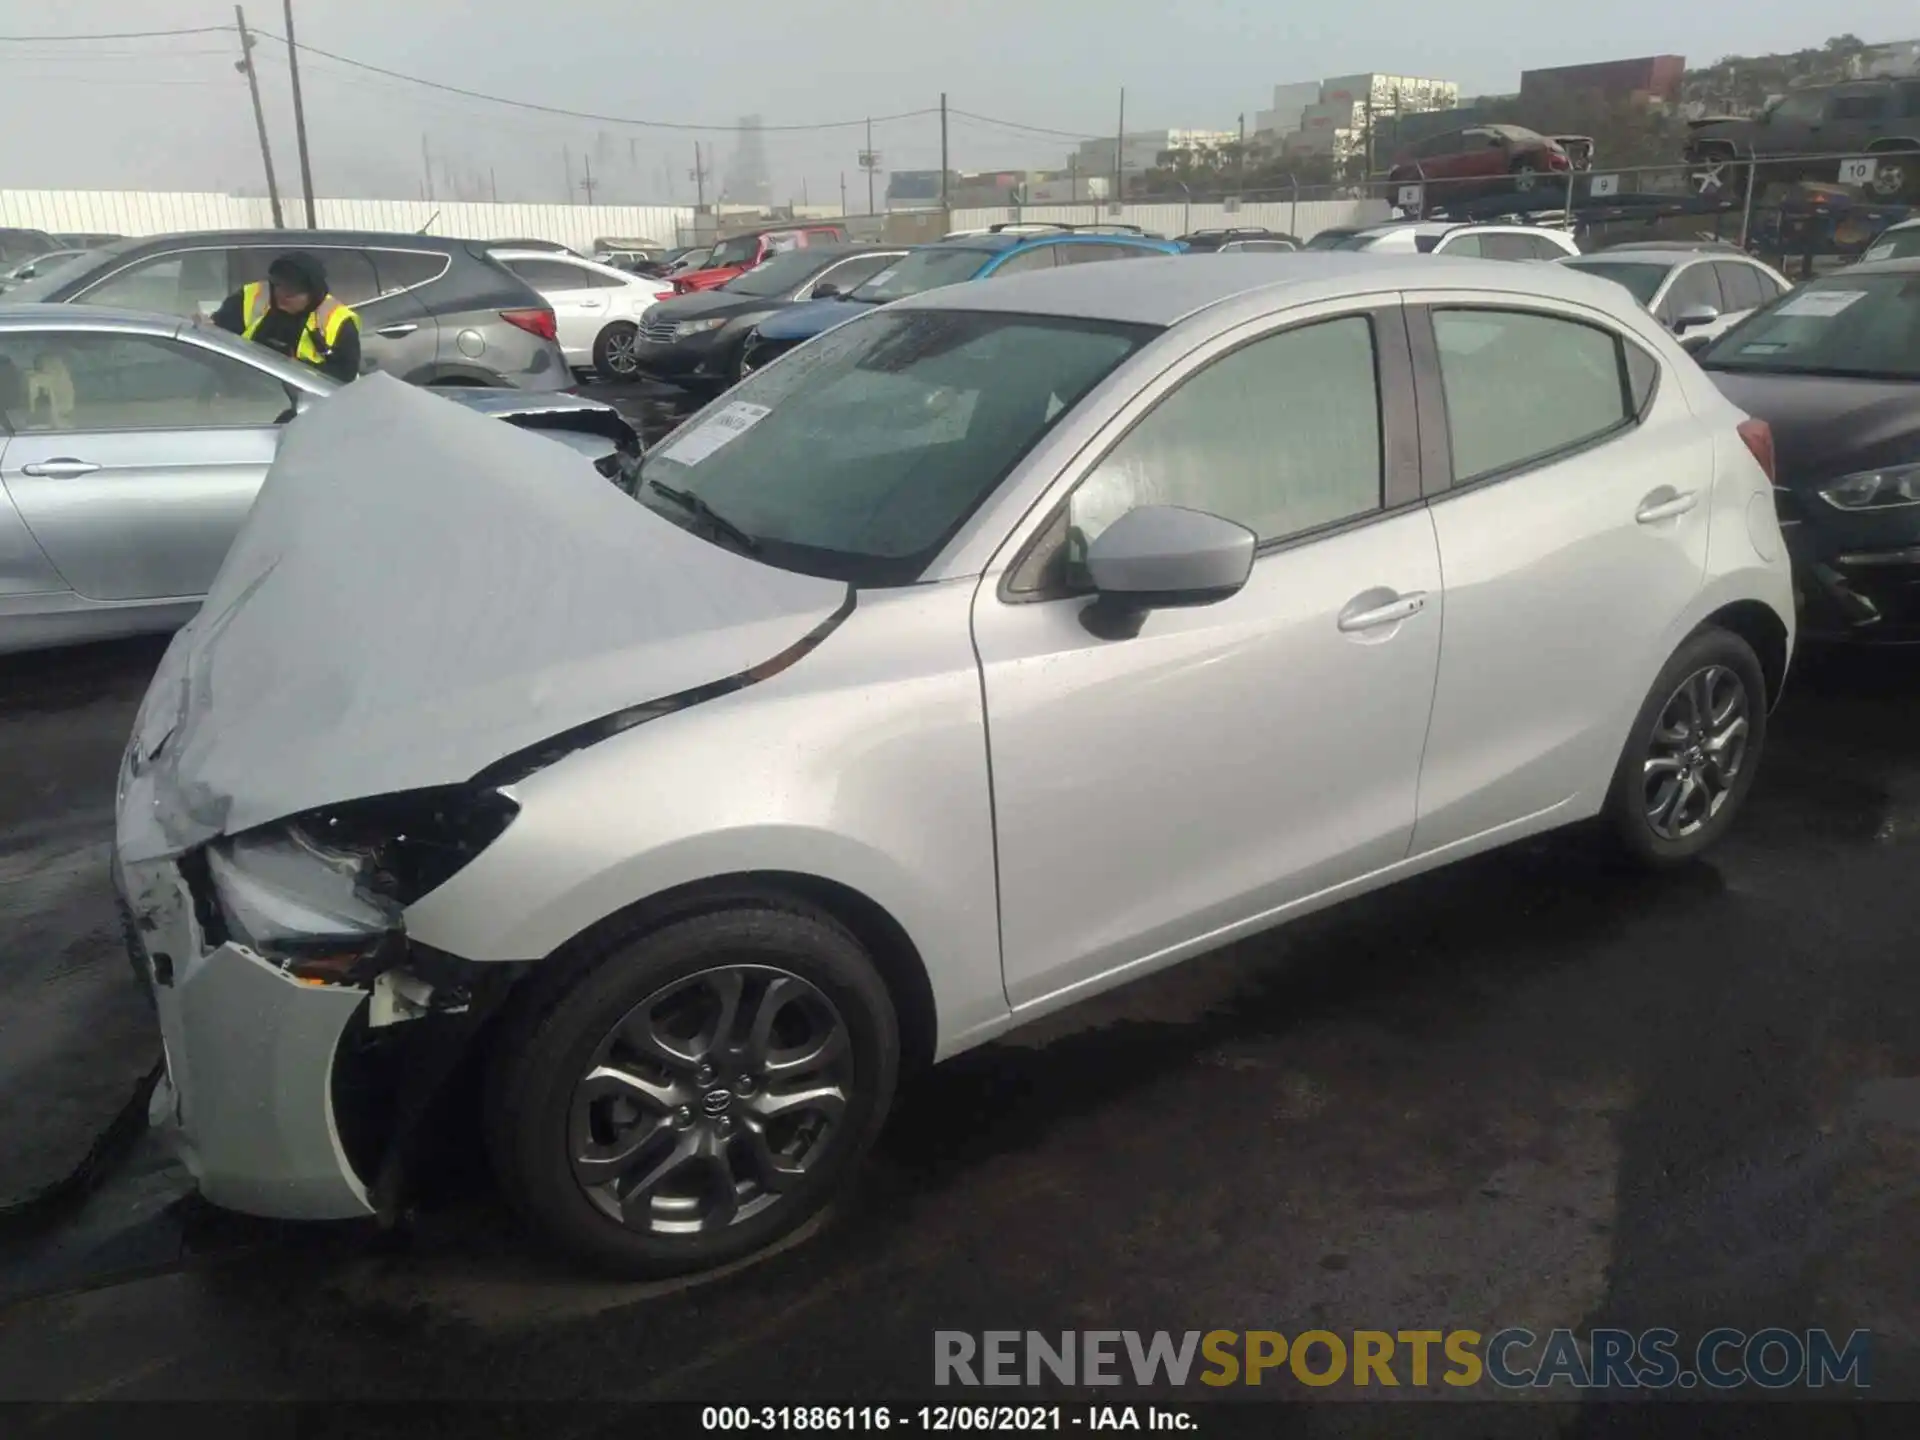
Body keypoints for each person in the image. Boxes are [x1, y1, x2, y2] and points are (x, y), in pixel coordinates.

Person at [210, 251, 361, 383]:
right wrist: (206, 327)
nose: (280, 295)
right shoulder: (252, 296)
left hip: (306, 401)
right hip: (240, 392)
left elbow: (345, 376)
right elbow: (217, 338)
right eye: (277, 285)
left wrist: (294, 364)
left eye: (291, 292)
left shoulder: (338, 320)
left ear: (312, 293)